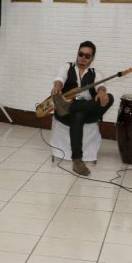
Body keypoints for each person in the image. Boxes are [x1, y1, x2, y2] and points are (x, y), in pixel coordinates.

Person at [50, 41, 114, 176]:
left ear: (92, 58)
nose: (83, 58)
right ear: (77, 54)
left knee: (110, 97)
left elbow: (101, 86)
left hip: (85, 111)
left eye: (87, 56)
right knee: (78, 114)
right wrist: (57, 86)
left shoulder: (95, 73)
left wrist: (102, 92)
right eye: (81, 54)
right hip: (65, 114)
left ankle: (71, 106)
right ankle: (77, 160)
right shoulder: (67, 67)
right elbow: (59, 78)